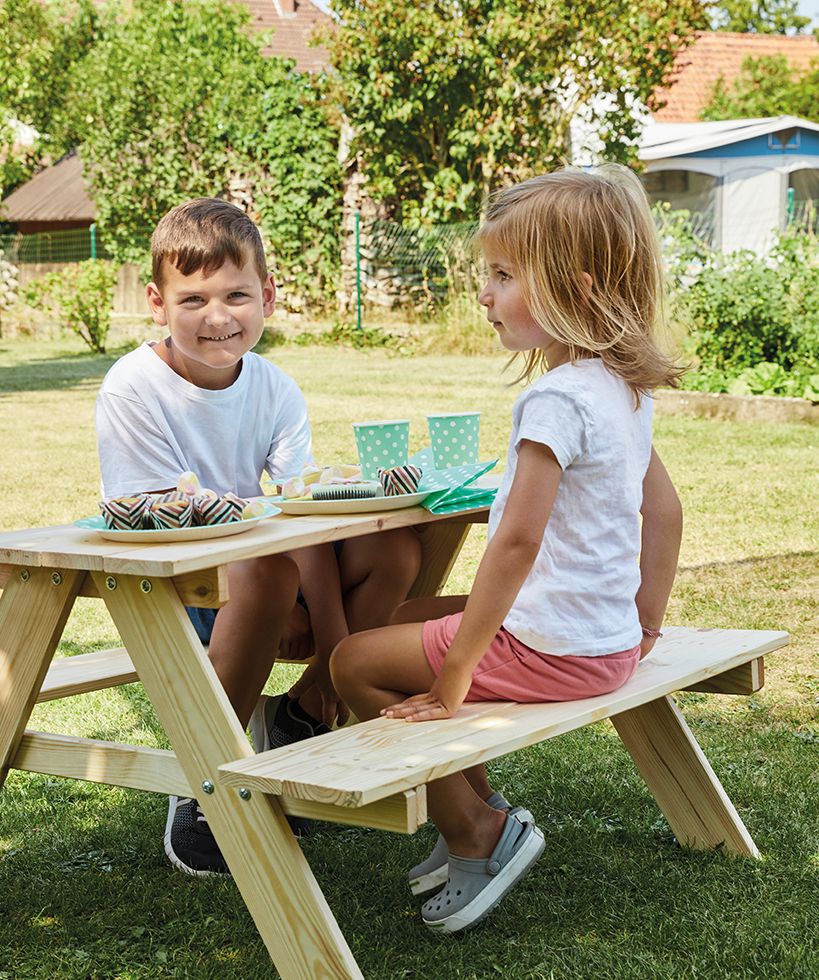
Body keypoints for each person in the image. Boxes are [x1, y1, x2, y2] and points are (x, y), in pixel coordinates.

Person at [331, 164, 686, 934]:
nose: (483, 295)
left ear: (577, 290)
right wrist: (644, 626)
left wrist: (457, 675)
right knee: (417, 609)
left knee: (352, 662)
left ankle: (475, 831)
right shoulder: (625, 389)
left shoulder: (555, 399)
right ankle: (475, 799)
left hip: (551, 647)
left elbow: (517, 541)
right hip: (607, 645)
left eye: (501, 275)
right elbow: (666, 512)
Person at [95, 197, 421, 877]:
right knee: (265, 573)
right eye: (194, 299)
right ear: (157, 303)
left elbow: (298, 511)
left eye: (237, 294)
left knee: (396, 547)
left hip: (269, 573)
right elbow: (158, 525)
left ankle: (301, 713)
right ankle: (209, 783)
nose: (218, 316)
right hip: (175, 588)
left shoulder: (275, 388)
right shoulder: (134, 386)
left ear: (267, 296)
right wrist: (300, 605)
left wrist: (332, 639)